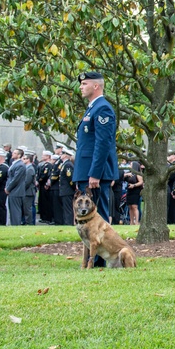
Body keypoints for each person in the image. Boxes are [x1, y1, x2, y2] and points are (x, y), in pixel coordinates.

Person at [73, 71, 119, 235]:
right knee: (89, 221)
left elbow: (102, 144)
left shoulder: (103, 108)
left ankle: (99, 259)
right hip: (87, 171)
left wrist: (95, 174)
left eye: (85, 84)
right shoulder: (93, 108)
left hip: (94, 174)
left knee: (98, 218)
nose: (81, 87)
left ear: (96, 86)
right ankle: (93, 258)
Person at [5, 148, 26, 226]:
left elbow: (15, 179)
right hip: (13, 191)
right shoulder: (14, 163)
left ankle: (16, 226)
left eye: (15, 153)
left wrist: (8, 188)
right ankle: (13, 225)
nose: (12, 154)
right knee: (12, 211)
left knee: (15, 211)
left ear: (19, 155)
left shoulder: (20, 165)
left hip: (16, 191)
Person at [56, 147, 76, 226]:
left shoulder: (68, 165)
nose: (61, 155)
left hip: (68, 190)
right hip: (65, 190)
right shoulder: (64, 164)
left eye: (63, 154)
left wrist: (73, 188)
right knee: (65, 208)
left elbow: (70, 178)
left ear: (66, 155)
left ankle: (69, 223)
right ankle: (66, 222)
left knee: (68, 209)